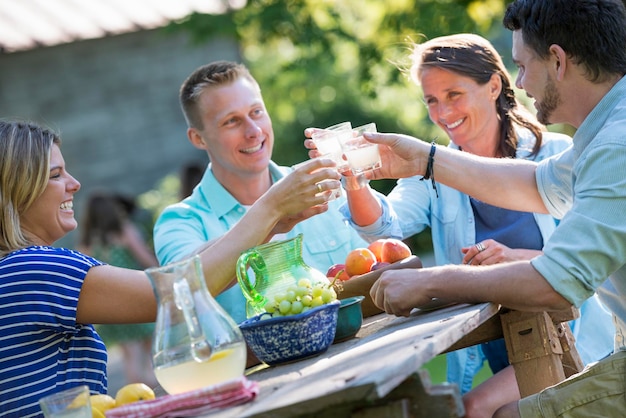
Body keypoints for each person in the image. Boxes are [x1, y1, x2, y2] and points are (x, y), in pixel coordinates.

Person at [307, 33, 614, 417]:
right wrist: (356, 181)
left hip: (571, 335)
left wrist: (517, 257)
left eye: (454, 94)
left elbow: (584, 265)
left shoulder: (557, 155)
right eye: (431, 100)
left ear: (494, 87)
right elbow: (386, 231)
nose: (442, 111)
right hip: (496, 342)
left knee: (474, 410)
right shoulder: (432, 169)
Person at [0, 119, 339, 417]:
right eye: (56, 175)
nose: (75, 184)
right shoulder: (33, 269)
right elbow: (173, 293)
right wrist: (269, 207)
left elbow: (178, 274)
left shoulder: (17, 271)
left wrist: (267, 225)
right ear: (16, 192)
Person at [153, 61, 369, 328]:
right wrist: (271, 210)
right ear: (199, 139)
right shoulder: (179, 222)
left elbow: (377, 261)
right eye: (232, 121)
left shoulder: (321, 183)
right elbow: (183, 287)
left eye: (256, 112)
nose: (253, 131)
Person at [77, 191, 159, 388]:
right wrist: (161, 273)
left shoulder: (87, 243)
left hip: (111, 306)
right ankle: (153, 389)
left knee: (130, 355)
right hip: (135, 296)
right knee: (150, 353)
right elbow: (144, 257)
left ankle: (138, 394)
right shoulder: (123, 231)